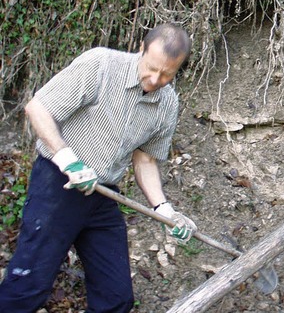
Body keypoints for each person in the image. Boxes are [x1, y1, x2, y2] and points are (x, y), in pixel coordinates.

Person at [0, 24, 198, 312]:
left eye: (167, 74)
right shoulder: (101, 65)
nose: (156, 79)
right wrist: (69, 160)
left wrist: (164, 209)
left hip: (104, 196)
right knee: (27, 287)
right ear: (141, 49)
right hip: (58, 186)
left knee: (115, 298)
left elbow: (145, 159)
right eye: (152, 68)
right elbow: (39, 108)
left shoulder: (167, 104)